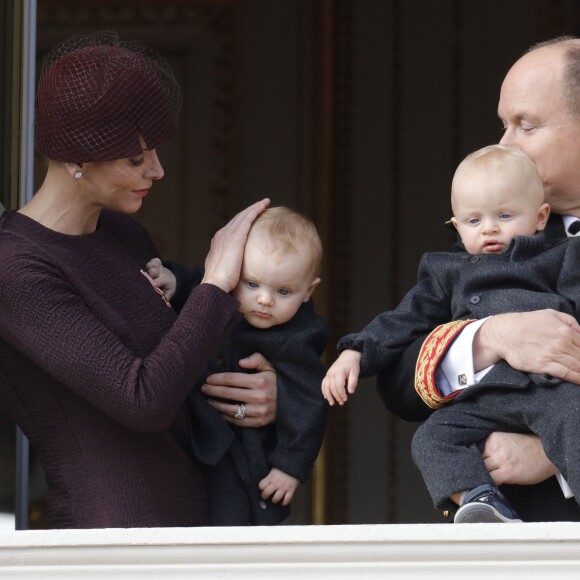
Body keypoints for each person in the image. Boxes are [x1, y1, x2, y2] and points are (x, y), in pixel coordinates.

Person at [0, 30, 275, 529]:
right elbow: (142, 400)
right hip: (106, 535)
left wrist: (254, 399)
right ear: (74, 158)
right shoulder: (16, 268)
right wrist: (215, 282)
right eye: (135, 159)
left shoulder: (126, 236)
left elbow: (176, 379)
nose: (158, 170)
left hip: (191, 521)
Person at [375, 35, 580, 522]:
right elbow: (399, 382)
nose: (504, 144)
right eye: (503, 124)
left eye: (525, 125)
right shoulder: (497, 239)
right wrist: (490, 337)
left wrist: (550, 455)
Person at [324, 144, 580, 522]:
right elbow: (404, 319)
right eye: (474, 221)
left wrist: (546, 456)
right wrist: (356, 352)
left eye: (505, 216)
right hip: (483, 396)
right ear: (457, 225)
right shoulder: (446, 270)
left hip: (548, 389)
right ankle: (482, 502)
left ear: (540, 217)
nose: (490, 228)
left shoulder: (561, 256)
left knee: (572, 417)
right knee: (431, 440)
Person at [147, 206, 329, 525]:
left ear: (308, 292)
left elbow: (311, 402)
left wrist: (290, 467)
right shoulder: (227, 299)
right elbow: (200, 287)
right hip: (192, 439)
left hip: (244, 456)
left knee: (231, 521)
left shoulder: (298, 337)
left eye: (283, 291)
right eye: (253, 284)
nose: (265, 300)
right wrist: (173, 281)